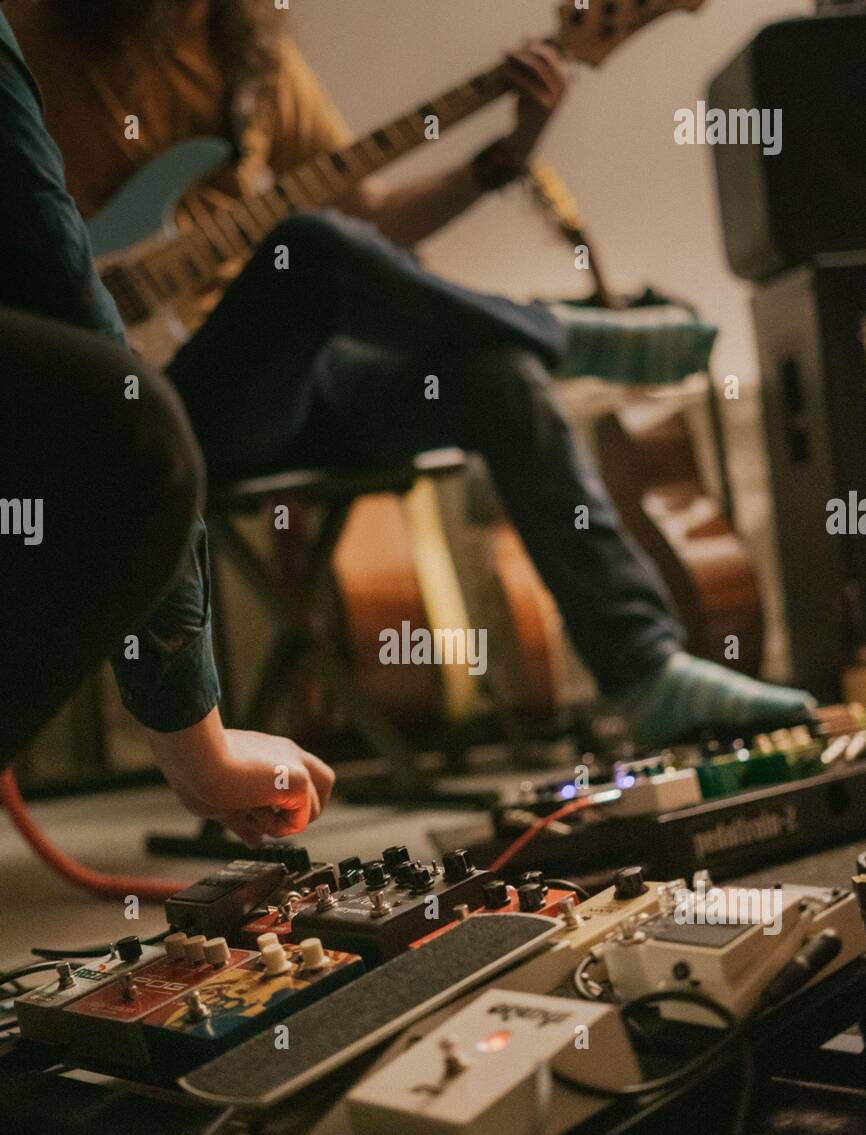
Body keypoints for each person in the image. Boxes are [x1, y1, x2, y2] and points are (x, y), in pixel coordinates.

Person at [6, 0, 816, 745]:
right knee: (311, 248)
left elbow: (377, 218)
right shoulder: (34, 36)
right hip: (158, 409)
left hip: (289, 379)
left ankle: (646, 671)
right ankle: (558, 333)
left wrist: (511, 151)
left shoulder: (247, 54)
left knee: (493, 370)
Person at [0, 6, 334, 845]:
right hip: (188, 381)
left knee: (333, 251)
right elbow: (56, 274)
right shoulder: (46, 30)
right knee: (135, 437)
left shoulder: (251, 56)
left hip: (240, 361)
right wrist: (199, 740)